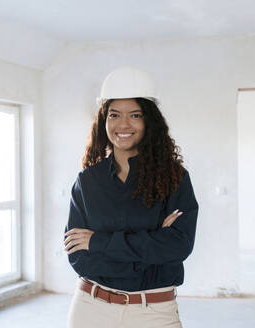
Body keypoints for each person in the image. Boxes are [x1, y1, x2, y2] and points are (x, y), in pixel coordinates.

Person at [63, 66, 199, 328]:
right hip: (90, 310)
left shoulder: (174, 179)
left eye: (135, 115)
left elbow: (178, 246)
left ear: (149, 122)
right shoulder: (88, 181)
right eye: (114, 114)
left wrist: (99, 242)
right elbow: (78, 255)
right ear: (104, 120)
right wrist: (149, 251)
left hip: (154, 311)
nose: (123, 124)